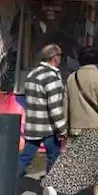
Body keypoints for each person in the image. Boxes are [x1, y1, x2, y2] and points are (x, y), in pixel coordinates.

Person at [40, 46, 98, 195]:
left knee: (72, 161)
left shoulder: (72, 77)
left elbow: (66, 104)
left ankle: (52, 187)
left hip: (76, 128)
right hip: (96, 129)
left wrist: (64, 128)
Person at [20, 44, 67, 179]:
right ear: (54, 58)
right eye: (60, 56)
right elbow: (55, 107)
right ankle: (51, 190)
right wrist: (63, 129)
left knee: (25, 158)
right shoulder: (52, 77)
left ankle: (6, 185)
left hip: (33, 125)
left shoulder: (32, 74)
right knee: (54, 159)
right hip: (48, 128)